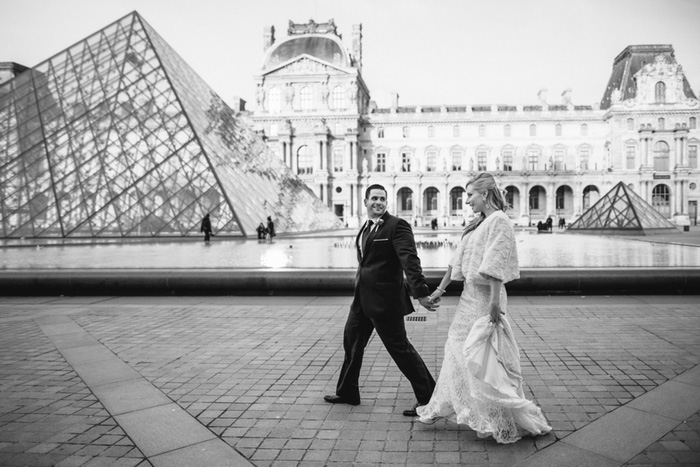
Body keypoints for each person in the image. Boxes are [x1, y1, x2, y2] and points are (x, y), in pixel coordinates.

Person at [416, 172, 551, 444]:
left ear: (485, 194)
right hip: (468, 298)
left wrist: (494, 304)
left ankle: (494, 416)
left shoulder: (499, 221)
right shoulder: (478, 223)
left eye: (470, 195)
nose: (467, 201)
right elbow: (456, 261)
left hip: (484, 299)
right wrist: (439, 290)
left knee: (482, 359)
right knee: (456, 350)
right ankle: (443, 405)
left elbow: (496, 263)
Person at [324, 184, 438, 416]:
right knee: (352, 345)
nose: (378, 202)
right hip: (361, 301)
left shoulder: (397, 226)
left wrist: (421, 292)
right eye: (374, 198)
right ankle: (347, 392)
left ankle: (429, 398)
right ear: (365, 201)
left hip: (385, 302)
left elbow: (410, 260)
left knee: (400, 350)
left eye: (382, 199)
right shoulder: (365, 227)